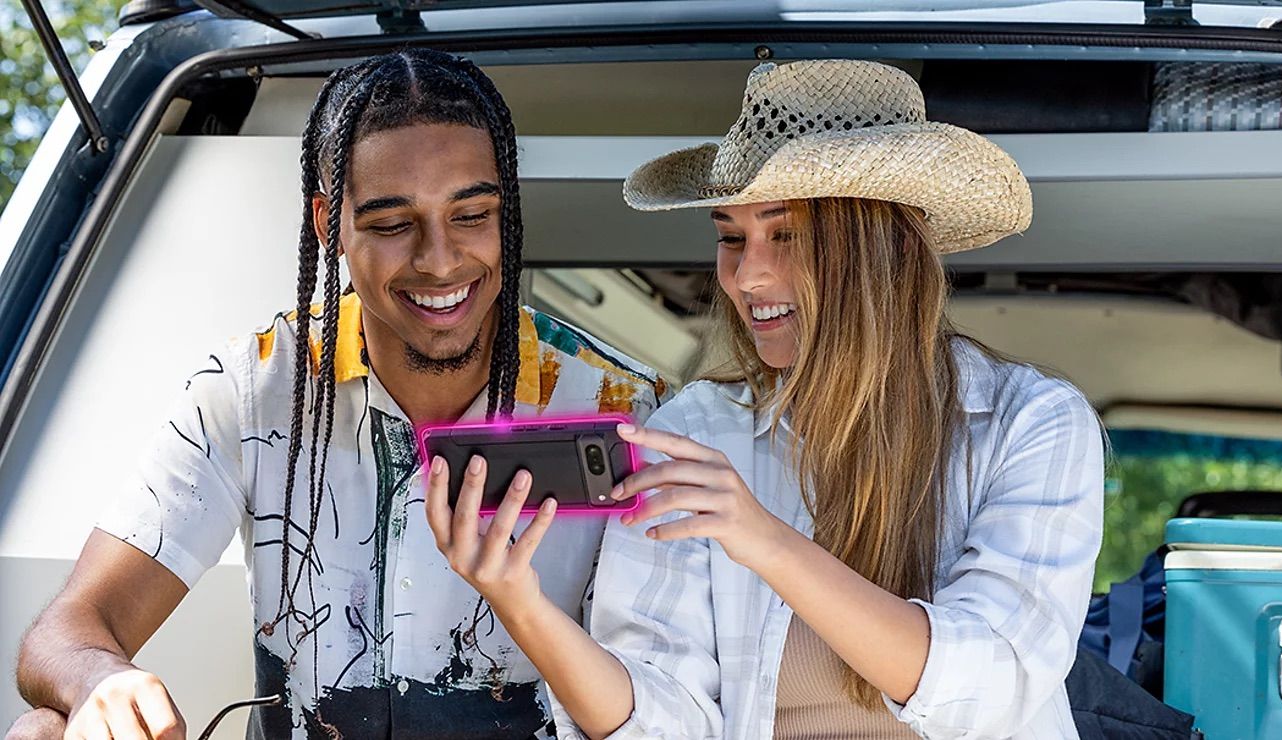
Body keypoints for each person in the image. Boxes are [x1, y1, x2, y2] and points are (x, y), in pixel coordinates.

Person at [425, 59, 1104, 739]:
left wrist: (768, 542)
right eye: (730, 237)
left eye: (788, 235)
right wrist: (522, 607)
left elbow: (991, 687)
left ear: (887, 248)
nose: (747, 275)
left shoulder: (1033, 423)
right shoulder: (696, 431)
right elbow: (666, 724)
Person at [9, 49, 663, 740]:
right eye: (390, 224)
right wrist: (99, 681)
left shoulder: (622, 409)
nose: (440, 259)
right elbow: (66, 630)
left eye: (471, 214)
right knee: (42, 732)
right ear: (329, 225)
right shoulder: (254, 387)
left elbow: (666, 706)